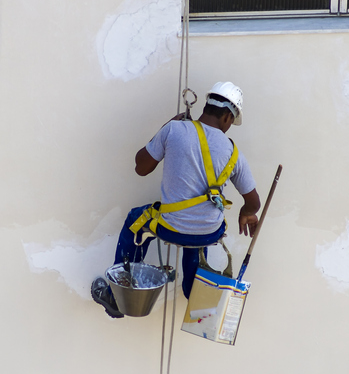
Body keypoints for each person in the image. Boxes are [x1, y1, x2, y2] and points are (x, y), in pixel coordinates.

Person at [91, 82, 261, 318]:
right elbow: (254, 203)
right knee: (200, 235)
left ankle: (118, 293)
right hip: (208, 232)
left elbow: (141, 167)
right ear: (226, 118)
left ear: (207, 105)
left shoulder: (173, 130)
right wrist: (247, 213)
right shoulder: (233, 151)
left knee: (135, 220)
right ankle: (193, 289)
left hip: (171, 229)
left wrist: (166, 126)